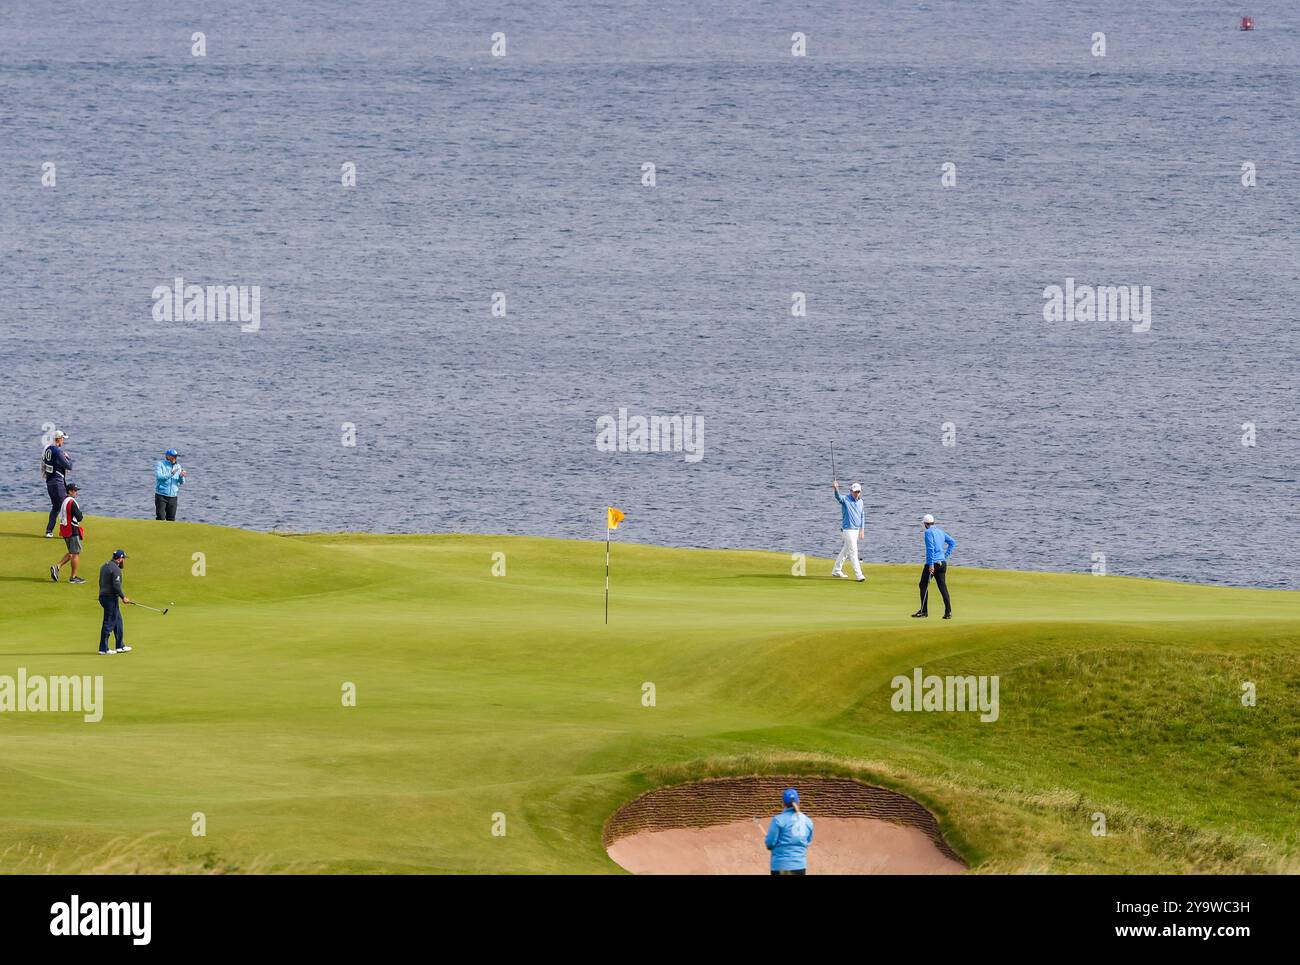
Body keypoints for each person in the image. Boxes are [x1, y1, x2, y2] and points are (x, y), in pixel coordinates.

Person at [913, 513, 956, 619]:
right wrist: (944, 556)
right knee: (942, 587)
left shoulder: (928, 532)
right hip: (942, 564)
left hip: (932, 564)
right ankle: (948, 612)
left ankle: (924, 611)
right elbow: (952, 542)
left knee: (923, 585)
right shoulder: (940, 531)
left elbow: (930, 549)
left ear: (926, 524)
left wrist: (931, 564)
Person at [765, 787, 814, 875]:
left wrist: (768, 840)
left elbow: (770, 844)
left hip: (781, 866)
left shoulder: (778, 820)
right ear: (798, 801)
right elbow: (807, 842)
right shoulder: (808, 820)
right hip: (800, 867)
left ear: (783, 803)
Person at [97, 549, 133, 655]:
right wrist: (123, 597)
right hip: (110, 598)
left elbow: (101, 582)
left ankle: (120, 646)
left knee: (118, 621)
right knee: (108, 622)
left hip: (104, 596)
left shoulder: (105, 566)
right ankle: (103, 649)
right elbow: (116, 585)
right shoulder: (116, 569)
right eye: (123, 559)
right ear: (120, 559)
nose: (123, 561)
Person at [50, 482, 86, 584]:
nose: (76, 493)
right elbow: (79, 517)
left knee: (71, 552)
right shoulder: (72, 502)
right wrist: (81, 514)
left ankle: (56, 567)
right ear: (69, 491)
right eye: (75, 491)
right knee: (75, 554)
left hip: (65, 530)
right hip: (72, 530)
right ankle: (73, 577)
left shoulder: (64, 501)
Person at [831, 480, 866, 581]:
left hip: (856, 530)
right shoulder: (845, 499)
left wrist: (862, 529)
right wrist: (836, 488)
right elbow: (838, 497)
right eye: (855, 492)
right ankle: (859, 575)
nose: (856, 493)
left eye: (858, 492)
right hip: (847, 530)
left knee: (846, 550)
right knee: (853, 551)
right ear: (851, 491)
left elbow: (862, 516)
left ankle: (836, 570)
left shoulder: (861, 501)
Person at [41, 430, 73, 537]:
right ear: (58, 439)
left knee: (56, 507)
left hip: (49, 482)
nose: (63, 441)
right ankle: (67, 532)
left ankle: (49, 531)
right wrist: (68, 458)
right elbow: (69, 466)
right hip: (58, 483)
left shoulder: (47, 449)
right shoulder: (57, 452)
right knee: (65, 506)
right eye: (63, 438)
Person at [154, 448, 186, 520]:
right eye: (173, 456)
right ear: (167, 456)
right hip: (161, 495)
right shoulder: (161, 464)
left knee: (171, 519)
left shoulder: (178, 466)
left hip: (173, 497)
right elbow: (159, 477)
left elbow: (182, 482)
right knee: (160, 518)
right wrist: (171, 474)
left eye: (176, 456)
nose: (175, 458)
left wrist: (181, 476)